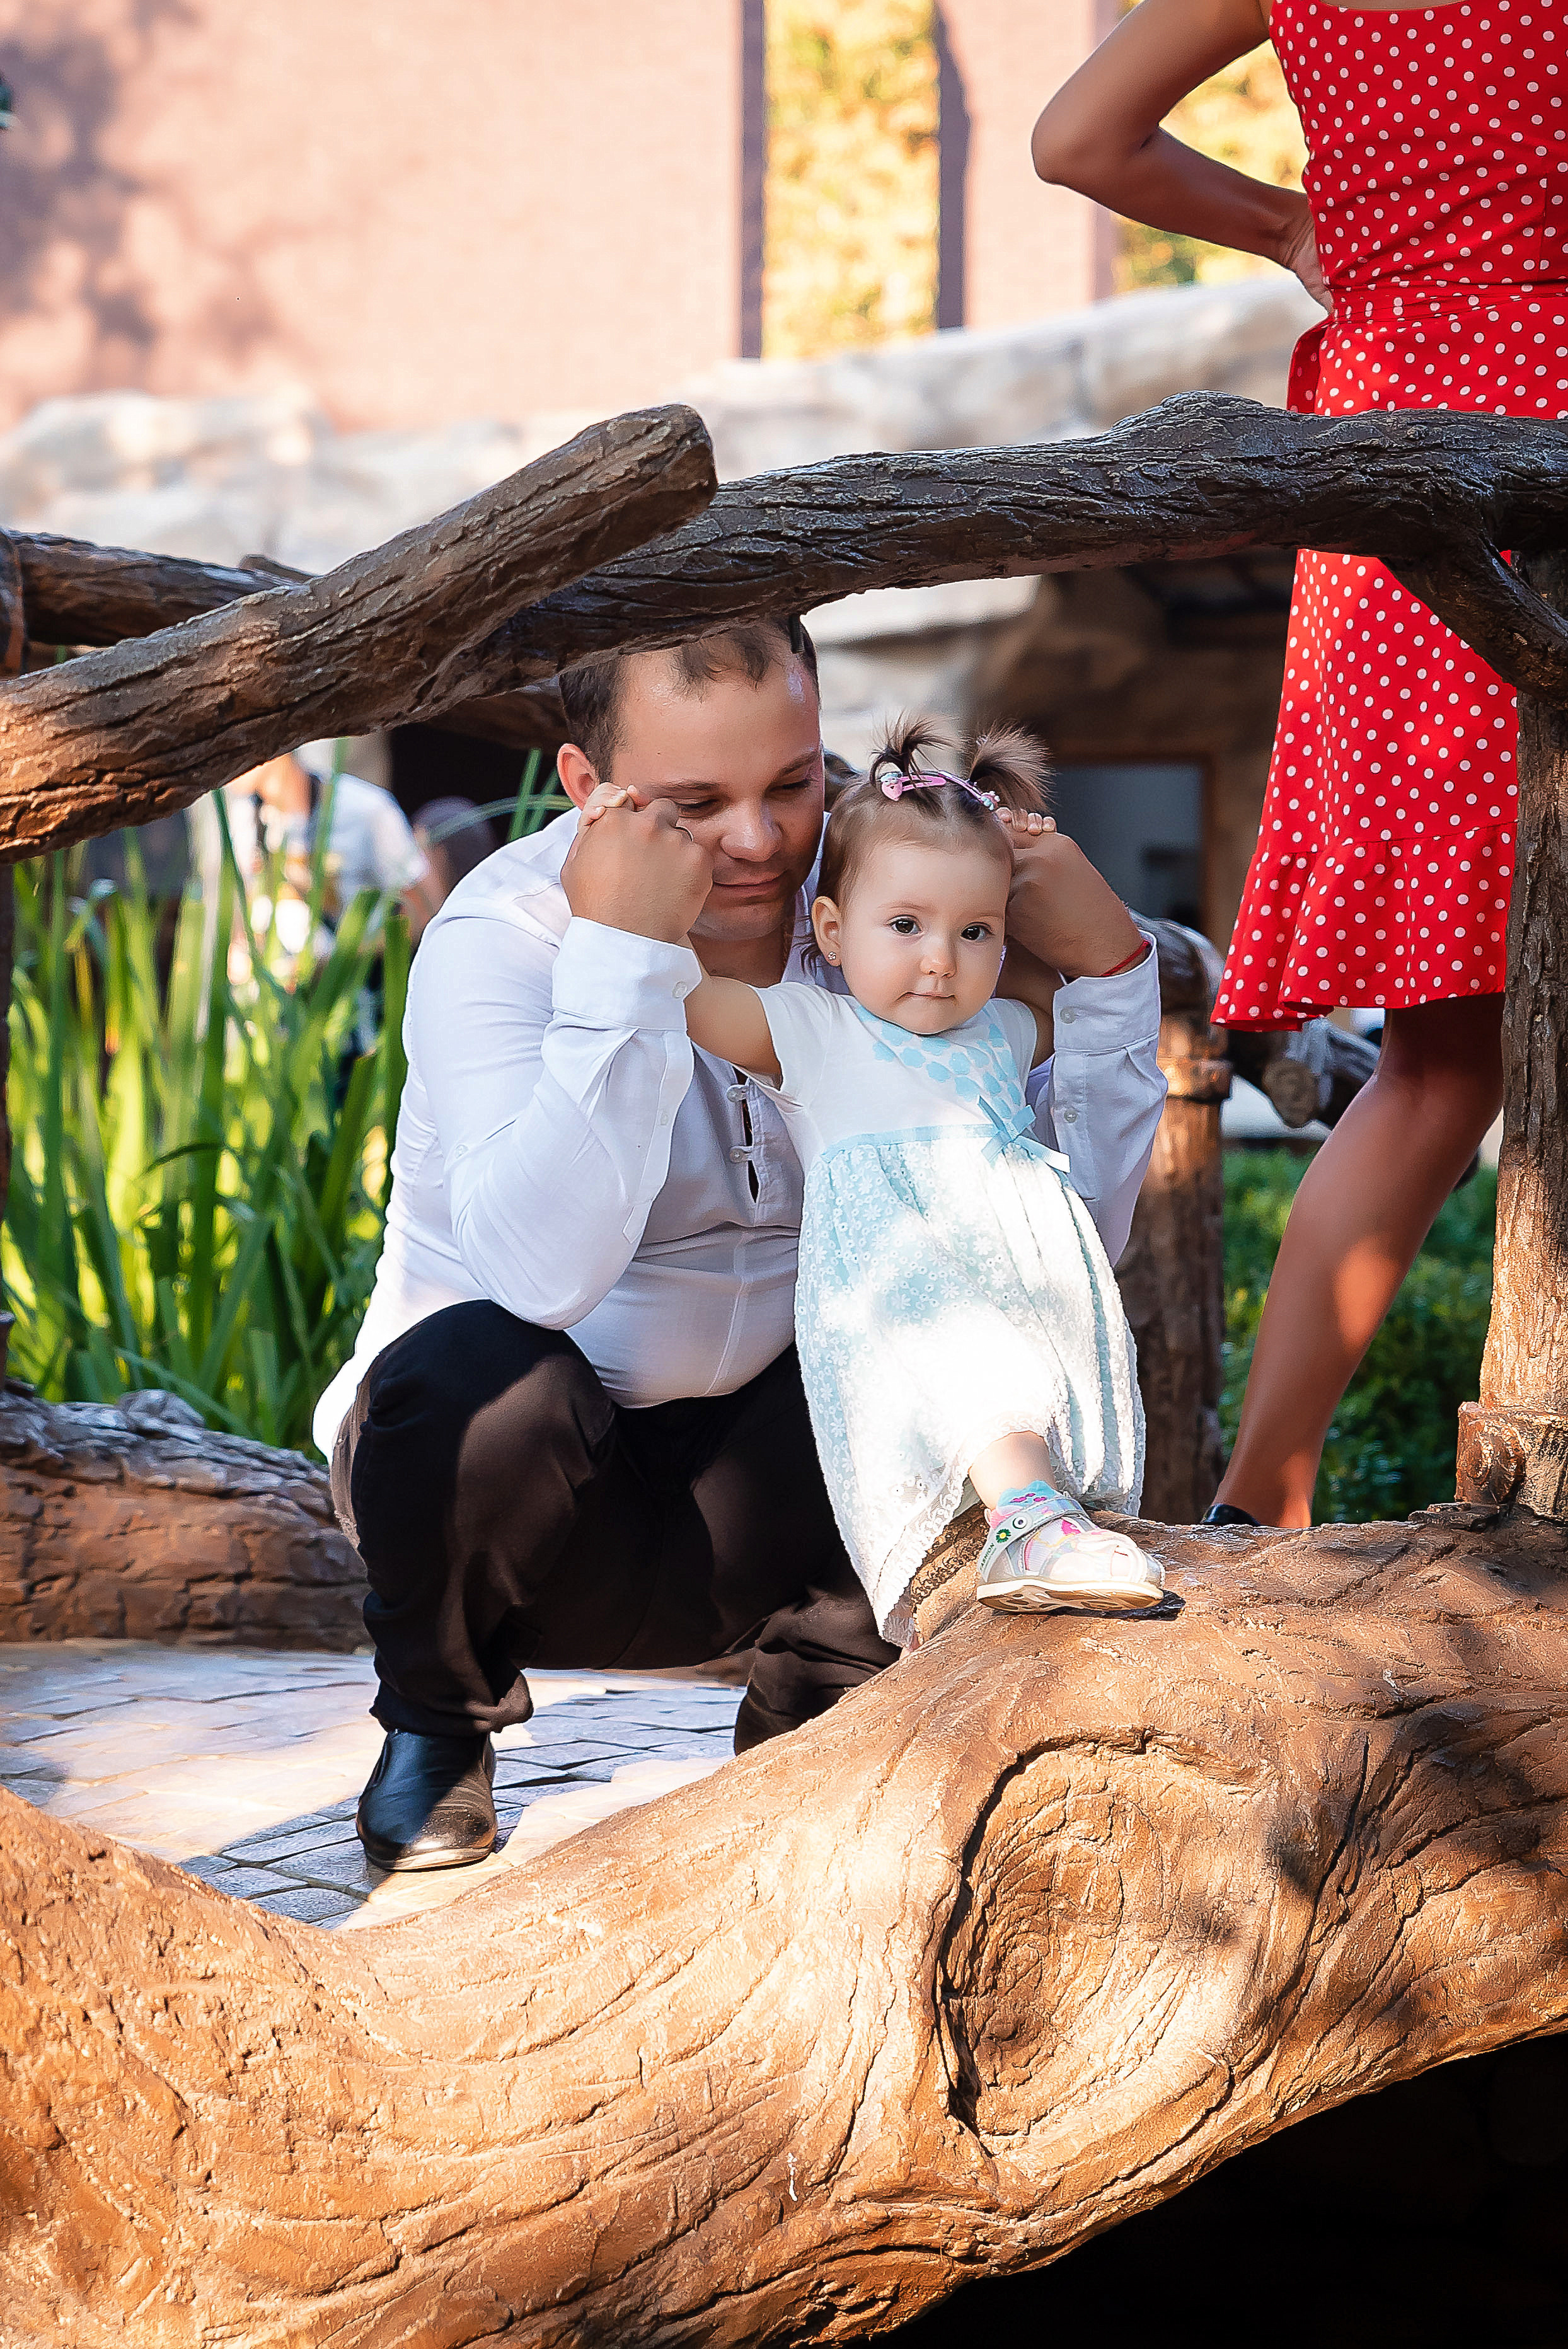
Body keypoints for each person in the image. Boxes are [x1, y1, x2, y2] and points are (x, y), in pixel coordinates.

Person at [313, 618, 1167, 1872]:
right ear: (585, 788)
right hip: (509, 1490)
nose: (762, 840)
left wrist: (1110, 978)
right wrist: (620, 953)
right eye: (697, 801)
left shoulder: (896, 901)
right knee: (476, 1378)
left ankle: (818, 1709)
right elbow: (541, 1277)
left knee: (925, 1347)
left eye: (791, 783)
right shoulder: (501, 940)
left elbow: (1042, 1247)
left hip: (778, 1490)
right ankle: (438, 1726)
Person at [1033, 0, 1568, 1528]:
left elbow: (1075, 138)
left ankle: (1254, 1504)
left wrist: (1282, 222)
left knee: (1434, 1059)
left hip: (1395, 435)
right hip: (1544, 398)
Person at [579, 722, 1165, 1641]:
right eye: (906, 926)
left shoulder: (1003, 1033)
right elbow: (685, 997)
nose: (941, 958)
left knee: (1025, 1358)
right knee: (971, 1350)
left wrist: (1073, 898)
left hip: (1013, 1273)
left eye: (976, 931)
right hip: (904, 1283)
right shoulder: (816, 1032)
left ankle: (1041, 1511)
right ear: (832, 931)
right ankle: (1028, 1520)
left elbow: (1091, 1006)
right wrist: (626, 903)